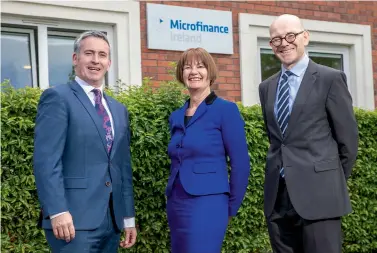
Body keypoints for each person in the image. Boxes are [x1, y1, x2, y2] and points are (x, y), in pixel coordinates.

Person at [258, 14, 358, 253]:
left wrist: (328, 181)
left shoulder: (330, 79)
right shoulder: (266, 87)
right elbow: (277, 140)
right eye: (276, 39)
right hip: (278, 197)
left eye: (290, 35)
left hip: (320, 195)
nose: (284, 43)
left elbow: (348, 141)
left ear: (305, 36)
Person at [33, 30, 137, 252]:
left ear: (109, 62)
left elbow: (122, 166)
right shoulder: (58, 98)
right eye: (89, 53)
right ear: (75, 58)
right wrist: (57, 210)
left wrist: (128, 217)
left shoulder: (119, 110)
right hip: (72, 221)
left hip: (112, 220)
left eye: (102, 55)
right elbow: (46, 160)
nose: (95, 60)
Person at [165, 47, 251, 253]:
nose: (194, 72)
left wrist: (231, 207)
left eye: (200, 66)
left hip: (209, 203)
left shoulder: (225, 110)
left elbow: (241, 163)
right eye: (187, 67)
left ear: (210, 73)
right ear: (181, 74)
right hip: (177, 201)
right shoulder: (176, 115)